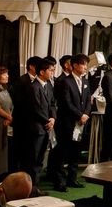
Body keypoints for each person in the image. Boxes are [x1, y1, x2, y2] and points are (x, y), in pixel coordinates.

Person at [52, 54, 91, 192]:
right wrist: (80, 115)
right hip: (67, 122)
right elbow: (65, 102)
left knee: (76, 151)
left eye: (86, 65)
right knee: (62, 153)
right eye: (83, 64)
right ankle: (59, 182)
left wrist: (86, 114)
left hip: (81, 123)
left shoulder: (85, 81)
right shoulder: (65, 81)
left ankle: (72, 179)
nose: (85, 67)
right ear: (74, 65)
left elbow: (88, 100)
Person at [24, 58, 57, 186]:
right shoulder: (33, 87)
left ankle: (36, 187)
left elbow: (53, 104)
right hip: (36, 128)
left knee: (40, 160)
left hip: (46, 127)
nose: (53, 72)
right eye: (50, 70)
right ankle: (30, 189)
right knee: (33, 160)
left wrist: (53, 118)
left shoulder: (48, 85)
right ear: (42, 72)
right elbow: (35, 108)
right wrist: (48, 121)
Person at [0, 65, 13, 178]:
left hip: (5, 123)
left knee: (3, 150)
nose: (7, 76)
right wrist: (9, 117)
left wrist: (9, 117)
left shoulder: (4, 89)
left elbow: (10, 106)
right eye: (4, 74)